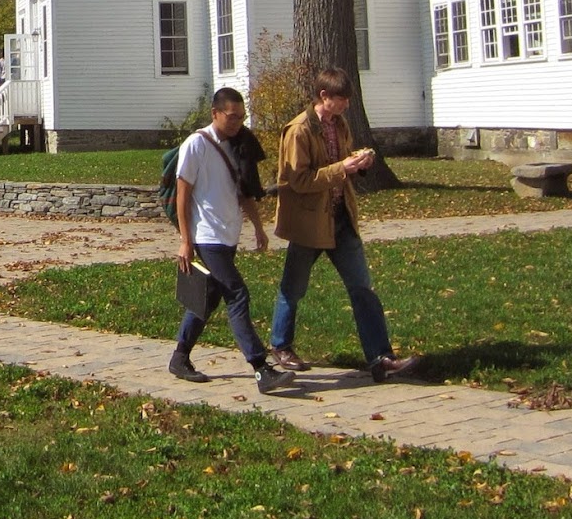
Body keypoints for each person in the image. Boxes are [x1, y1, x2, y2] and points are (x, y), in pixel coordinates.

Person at [267, 67, 423, 383]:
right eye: (341, 99)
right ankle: (280, 345)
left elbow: (343, 162)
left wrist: (360, 163)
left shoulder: (339, 124)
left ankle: (381, 358)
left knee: (362, 287)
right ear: (323, 96)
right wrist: (342, 167)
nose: (346, 105)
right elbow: (298, 181)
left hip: (340, 217)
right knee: (293, 287)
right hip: (309, 221)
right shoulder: (298, 130)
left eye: (347, 99)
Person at [168, 86, 295, 395]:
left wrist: (258, 227)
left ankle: (179, 358)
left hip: (228, 235)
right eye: (232, 116)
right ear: (215, 113)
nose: (237, 122)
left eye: (241, 117)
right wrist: (185, 240)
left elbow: (243, 190)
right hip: (206, 236)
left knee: (208, 298)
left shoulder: (239, 144)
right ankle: (261, 368)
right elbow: (182, 195)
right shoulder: (196, 144)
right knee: (237, 295)